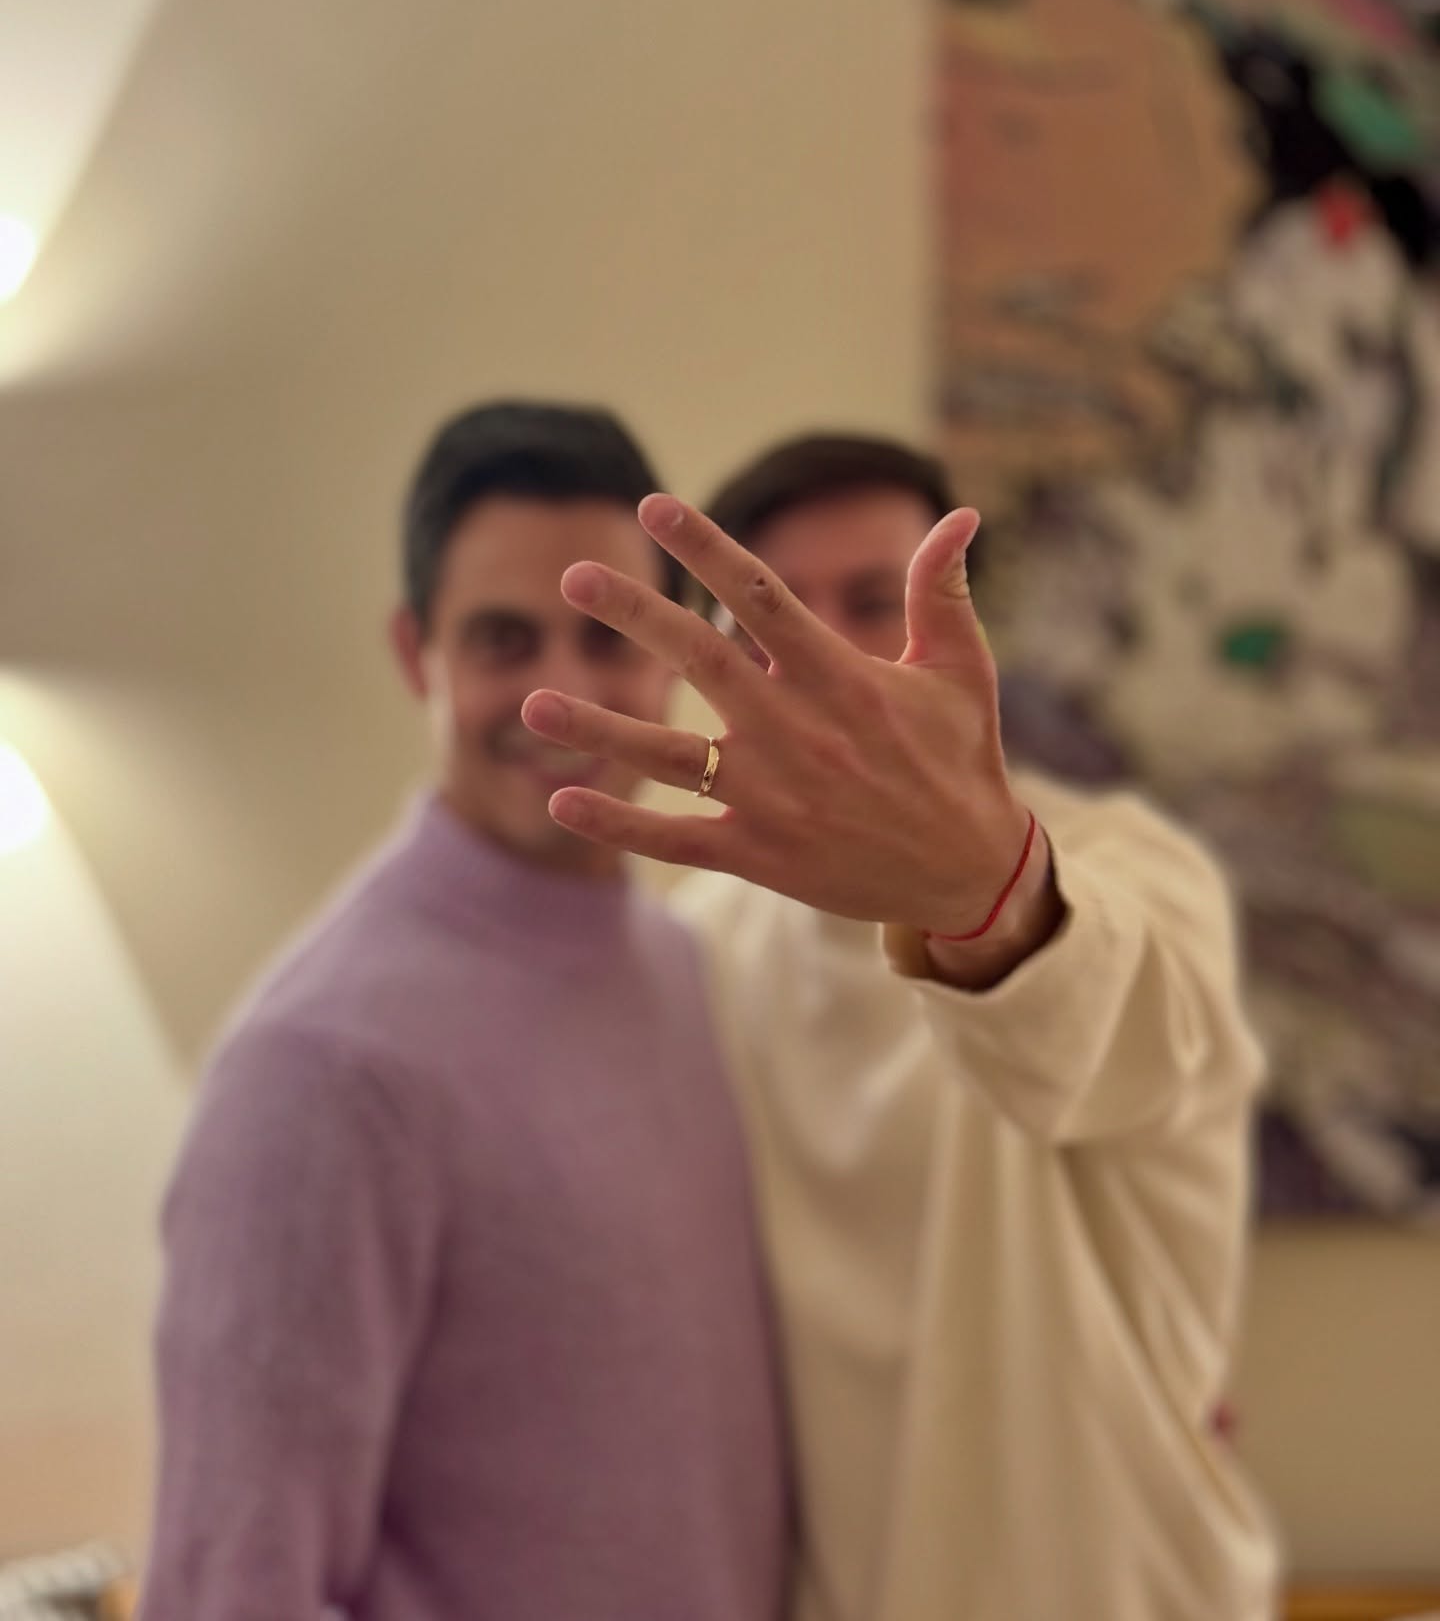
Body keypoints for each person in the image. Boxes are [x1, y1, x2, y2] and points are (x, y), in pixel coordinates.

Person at [521, 431, 1280, 1621]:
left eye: (877, 603)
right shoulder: (700, 951)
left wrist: (982, 887)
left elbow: (1102, 1028)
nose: (823, 656)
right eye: (772, 618)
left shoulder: (1133, 871)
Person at [139, 402, 788, 1621]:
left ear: (676, 654)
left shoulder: (684, 971)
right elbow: (232, 1593)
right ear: (414, 654)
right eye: (503, 639)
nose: (559, 697)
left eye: (607, 638)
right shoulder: (322, 1068)